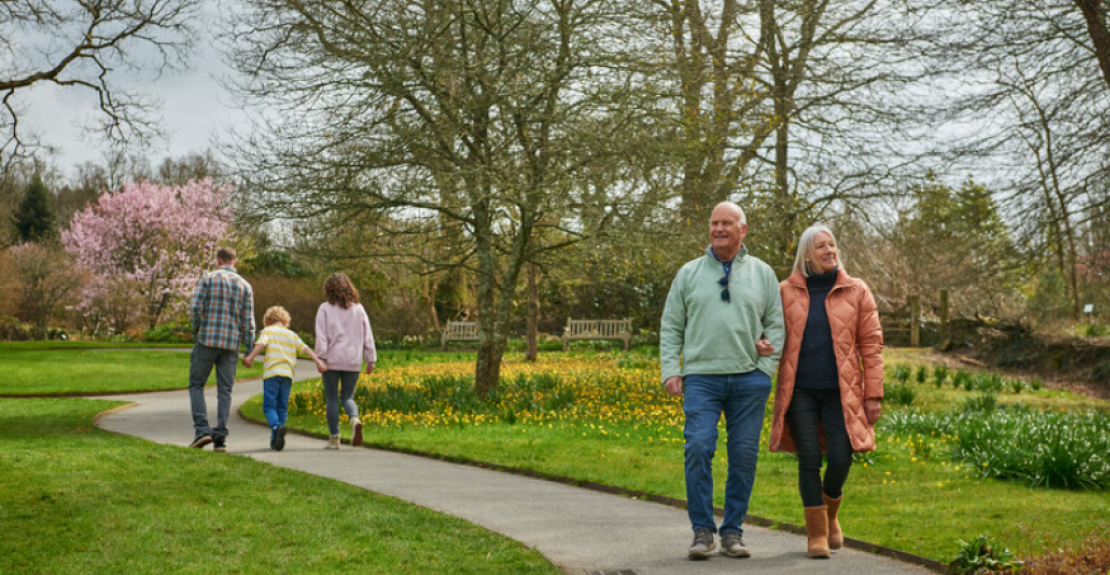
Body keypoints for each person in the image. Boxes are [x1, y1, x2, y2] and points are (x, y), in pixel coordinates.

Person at [660, 201, 785, 560]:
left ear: (742, 229)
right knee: (698, 447)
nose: (718, 229)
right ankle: (702, 531)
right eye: (714, 223)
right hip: (701, 378)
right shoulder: (688, 273)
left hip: (749, 380)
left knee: (743, 457)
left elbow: (776, 325)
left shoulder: (762, 273)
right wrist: (671, 369)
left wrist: (765, 370)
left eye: (727, 223)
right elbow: (671, 325)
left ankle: (732, 532)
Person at [767, 224, 883, 558]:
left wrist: (873, 393)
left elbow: (872, 345)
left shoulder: (857, 290)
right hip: (800, 391)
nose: (829, 250)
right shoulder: (785, 291)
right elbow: (772, 334)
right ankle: (816, 535)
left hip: (840, 393)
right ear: (806, 253)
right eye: (821, 246)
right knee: (808, 460)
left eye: (832, 245)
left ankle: (830, 513)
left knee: (840, 457)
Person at [188, 247, 255, 453]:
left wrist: (196, 329)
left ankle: (202, 430)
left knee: (197, 385)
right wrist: (249, 348)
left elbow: (195, 308)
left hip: (207, 339)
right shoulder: (245, 286)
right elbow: (248, 320)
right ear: (235, 262)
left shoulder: (208, 279)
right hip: (231, 344)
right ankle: (220, 439)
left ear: (218, 260)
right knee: (225, 391)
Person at [242, 306, 328, 451]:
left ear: (268, 320)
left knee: (269, 405)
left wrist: (250, 357)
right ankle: (276, 439)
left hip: (272, 373)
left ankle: (276, 427)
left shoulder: (268, 331)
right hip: (287, 374)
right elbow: (306, 348)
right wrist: (318, 361)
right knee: (282, 406)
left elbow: (261, 344)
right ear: (284, 320)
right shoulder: (291, 334)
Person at [315, 272, 376, 450]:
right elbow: (367, 336)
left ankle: (334, 439)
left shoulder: (325, 308)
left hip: (331, 361)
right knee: (348, 397)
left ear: (328, 289)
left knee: (332, 398)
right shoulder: (359, 309)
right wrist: (370, 359)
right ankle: (354, 419)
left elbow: (321, 336)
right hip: (352, 361)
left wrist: (321, 357)